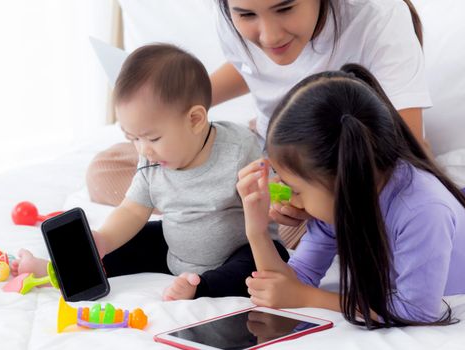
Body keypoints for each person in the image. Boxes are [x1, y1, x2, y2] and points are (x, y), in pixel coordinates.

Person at [86, 0, 430, 248]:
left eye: (285, 9)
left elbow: (406, 150)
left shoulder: (379, 15)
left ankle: (225, 206)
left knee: (335, 217)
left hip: (331, 168)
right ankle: (233, 205)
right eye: (247, 14)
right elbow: (251, 65)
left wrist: (304, 193)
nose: (268, 35)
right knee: (106, 170)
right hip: (265, 153)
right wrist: (175, 106)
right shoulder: (231, 16)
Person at [12, 43, 288, 301]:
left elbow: (271, 191)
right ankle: (57, 272)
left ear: (195, 120)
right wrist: (105, 239)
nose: (143, 150)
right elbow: (132, 211)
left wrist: (278, 197)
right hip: (174, 249)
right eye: (133, 138)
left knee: (259, 262)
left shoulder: (238, 148)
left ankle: (200, 287)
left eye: (152, 138)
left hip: (234, 253)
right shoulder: (150, 161)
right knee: (132, 238)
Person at [236, 63, 465, 329]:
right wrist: (256, 231)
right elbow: (288, 283)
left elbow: (416, 310)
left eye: (296, 189)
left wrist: (309, 297)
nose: (290, 198)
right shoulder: (339, 202)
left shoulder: (423, 211)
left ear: (344, 178)